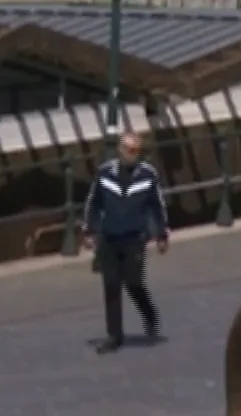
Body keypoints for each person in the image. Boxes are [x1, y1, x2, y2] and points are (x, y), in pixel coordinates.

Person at [82, 132, 168, 352]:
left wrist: (161, 234)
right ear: (120, 150)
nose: (132, 154)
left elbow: (157, 206)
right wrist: (90, 230)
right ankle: (114, 336)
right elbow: (93, 203)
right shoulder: (104, 173)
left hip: (134, 238)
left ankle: (149, 313)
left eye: (136, 151)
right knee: (111, 286)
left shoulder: (148, 175)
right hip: (109, 238)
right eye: (128, 150)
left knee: (134, 283)